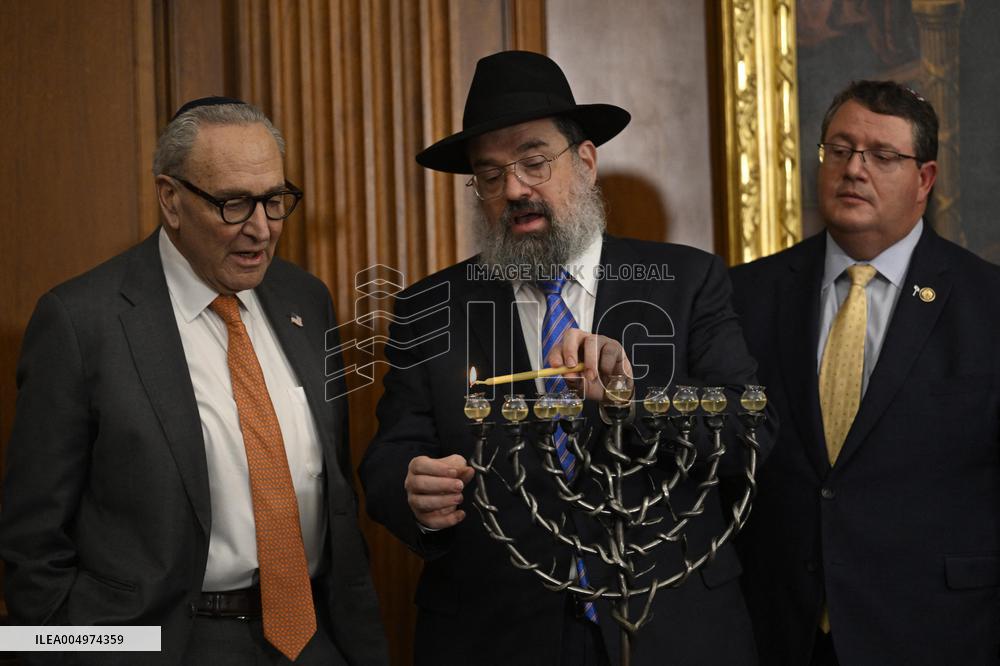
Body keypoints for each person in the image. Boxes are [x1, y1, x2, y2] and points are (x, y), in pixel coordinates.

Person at [359, 50, 774, 666]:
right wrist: (412, 490)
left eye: (533, 161)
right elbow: (389, 457)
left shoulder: (685, 282)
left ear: (585, 162)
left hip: (668, 626)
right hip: (496, 634)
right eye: (490, 175)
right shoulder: (431, 306)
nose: (515, 190)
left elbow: (751, 435)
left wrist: (634, 403)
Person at [0, 97, 387, 665]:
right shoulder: (83, 322)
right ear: (171, 199)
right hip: (162, 644)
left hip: (313, 637)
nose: (261, 228)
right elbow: (32, 544)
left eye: (275, 200)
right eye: (233, 204)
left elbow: (334, 489)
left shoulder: (306, 299)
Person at [730, 80, 1000, 665]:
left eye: (881, 156)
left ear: (924, 180)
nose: (854, 169)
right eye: (840, 150)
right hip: (781, 633)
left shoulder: (988, 305)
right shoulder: (744, 294)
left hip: (939, 635)